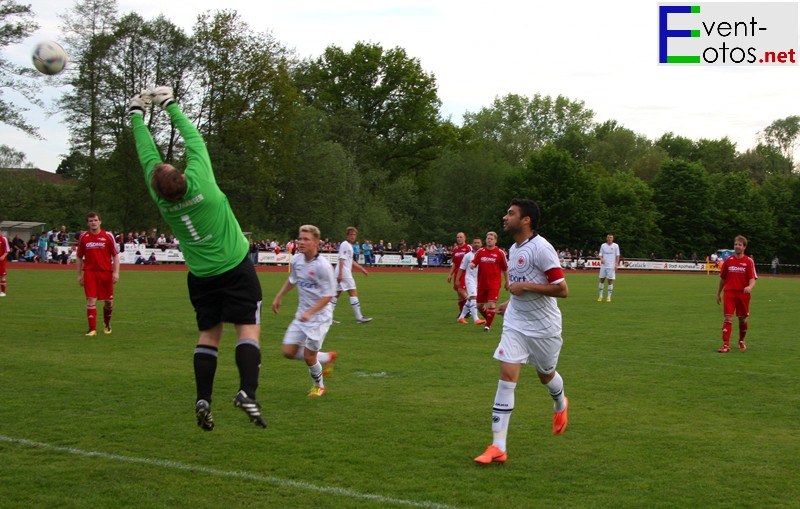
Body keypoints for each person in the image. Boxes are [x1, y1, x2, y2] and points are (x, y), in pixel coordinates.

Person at [129, 86, 266, 430]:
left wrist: (136, 114)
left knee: (208, 337)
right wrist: (169, 104)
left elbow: (146, 154)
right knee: (247, 331)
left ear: (155, 185)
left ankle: (203, 397)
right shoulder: (201, 181)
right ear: (181, 175)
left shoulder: (162, 201)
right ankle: (246, 391)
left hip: (201, 277)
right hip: (236, 267)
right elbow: (193, 138)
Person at [474, 198, 569, 465]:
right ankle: (498, 446)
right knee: (506, 374)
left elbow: (562, 289)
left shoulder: (542, 249)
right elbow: (520, 287)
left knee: (546, 375)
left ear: (525, 220)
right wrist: (510, 302)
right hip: (516, 323)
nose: (505, 217)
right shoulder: (514, 249)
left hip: (544, 328)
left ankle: (560, 402)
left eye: (511, 213)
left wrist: (525, 287)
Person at [272, 225, 338, 397]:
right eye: (300, 238)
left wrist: (311, 312)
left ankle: (319, 386)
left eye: (306, 239)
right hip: (302, 315)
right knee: (288, 352)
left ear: (316, 242)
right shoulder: (296, 260)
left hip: (319, 317)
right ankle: (327, 357)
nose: (301, 242)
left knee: (309, 357)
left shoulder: (323, 267)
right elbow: (293, 280)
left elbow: (328, 296)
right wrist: (279, 296)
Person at [76, 212, 120, 336]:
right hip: (90, 272)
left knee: (108, 302)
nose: (93, 222)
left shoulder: (108, 236)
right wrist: (79, 275)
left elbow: (115, 255)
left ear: (100, 221)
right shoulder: (84, 237)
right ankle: (92, 329)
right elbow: (79, 257)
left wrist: (116, 272)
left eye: (95, 220)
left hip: (106, 272)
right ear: (87, 223)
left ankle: (106, 323)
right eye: (91, 221)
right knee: (91, 300)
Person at [716, 235, 757, 353]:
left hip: (743, 294)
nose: (737, 246)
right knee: (728, 318)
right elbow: (723, 278)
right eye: (735, 244)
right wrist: (718, 293)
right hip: (729, 293)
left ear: (744, 247)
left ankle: (741, 340)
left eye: (739, 245)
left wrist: (750, 287)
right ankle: (725, 345)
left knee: (742, 319)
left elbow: (752, 278)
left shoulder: (749, 261)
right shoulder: (728, 261)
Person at [470, 231, 509, 332]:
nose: (489, 240)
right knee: (479, 306)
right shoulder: (480, 252)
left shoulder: (500, 253)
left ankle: (487, 326)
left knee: (491, 305)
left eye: (491, 238)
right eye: (488, 238)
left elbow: (505, 268)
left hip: (494, 283)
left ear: (495, 240)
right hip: (482, 283)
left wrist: (507, 281)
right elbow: (474, 262)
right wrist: (472, 265)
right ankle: (489, 318)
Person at [332, 226, 372, 323]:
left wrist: (361, 269)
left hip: (342, 272)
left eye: (354, 234)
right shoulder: (345, 245)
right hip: (344, 273)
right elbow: (342, 259)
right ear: (347, 235)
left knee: (335, 295)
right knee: (353, 293)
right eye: (351, 234)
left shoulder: (349, 245)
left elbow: (350, 261)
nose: (353, 236)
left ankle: (327, 318)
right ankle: (359, 318)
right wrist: (341, 274)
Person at [455, 236, 486, 325]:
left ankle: (461, 317)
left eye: (478, 243)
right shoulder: (468, 255)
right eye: (475, 243)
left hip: (479, 280)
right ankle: (476, 319)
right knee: (474, 298)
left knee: (470, 299)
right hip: (470, 279)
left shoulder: (484, 254)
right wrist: (457, 280)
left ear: (481, 244)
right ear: (472, 244)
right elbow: (461, 268)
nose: (476, 244)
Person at [447, 232, 472, 318]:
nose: (459, 239)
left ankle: (471, 308)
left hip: (465, 272)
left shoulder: (468, 247)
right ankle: (463, 313)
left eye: (461, 237)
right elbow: (454, 263)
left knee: (461, 291)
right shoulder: (456, 249)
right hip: (457, 273)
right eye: (457, 237)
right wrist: (450, 274)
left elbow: (474, 258)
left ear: (465, 238)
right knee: (459, 294)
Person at [598, 233, 620, 302]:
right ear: (606, 238)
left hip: (611, 266)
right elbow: (600, 254)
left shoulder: (616, 246)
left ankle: (608, 297)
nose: (609, 238)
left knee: (610, 281)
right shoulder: (603, 245)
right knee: (601, 280)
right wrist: (601, 259)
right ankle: (600, 296)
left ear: (613, 238)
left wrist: (616, 264)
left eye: (611, 237)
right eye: (608, 237)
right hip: (603, 266)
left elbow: (617, 255)